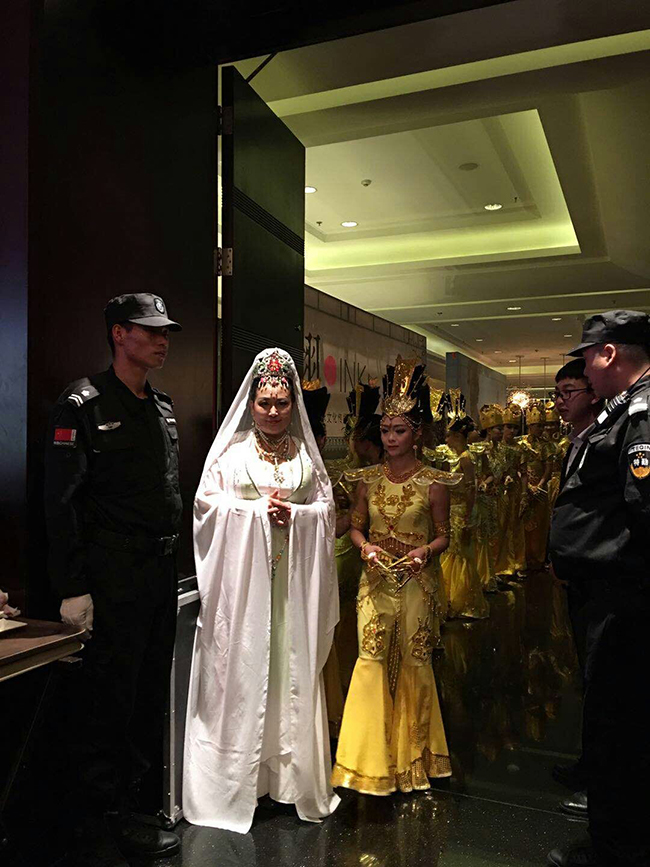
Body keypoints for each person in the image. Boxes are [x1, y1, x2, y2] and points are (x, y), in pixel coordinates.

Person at [44, 293, 183, 867]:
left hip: (158, 571)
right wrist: (72, 586)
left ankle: (138, 807)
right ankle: (100, 824)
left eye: (165, 331)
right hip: (113, 574)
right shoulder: (83, 404)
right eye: (150, 330)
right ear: (119, 334)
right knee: (109, 700)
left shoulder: (163, 406)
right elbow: (62, 504)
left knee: (149, 694)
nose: (162, 339)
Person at [183, 348, 340, 833]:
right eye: (264, 403)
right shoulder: (231, 455)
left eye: (282, 403)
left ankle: (289, 781)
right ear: (250, 404)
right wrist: (254, 513)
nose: (273, 411)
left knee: (289, 672)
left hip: (292, 593)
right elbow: (205, 508)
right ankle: (240, 783)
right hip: (244, 594)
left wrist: (299, 516)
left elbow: (328, 512)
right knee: (245, 668)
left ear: (294, 405)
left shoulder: (306, 456)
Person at [548, 311, 650, 867]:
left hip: (625, 594)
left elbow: (643, 508)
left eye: (587, 357)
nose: (585, 369)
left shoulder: (641, 414)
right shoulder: (624, 409)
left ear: (609, 353)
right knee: (612, 710)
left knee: (620, 718)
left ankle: (617, 846)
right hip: (609, 591)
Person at [331, 357, 459, 795]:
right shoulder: (366, 479)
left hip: (417, 583)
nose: (390, 438)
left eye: (399, 431)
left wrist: (425, 551)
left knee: (415, 662)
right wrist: (364, 547)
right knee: (369, 660)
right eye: (385, 430)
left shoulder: (434, 482)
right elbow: (355, 526)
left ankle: (413, 759)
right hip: (374, 581)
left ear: (416, 434)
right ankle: (363, 762)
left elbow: (444, 535)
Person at [548, 359, 604, 819]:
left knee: (606, 681)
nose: (561, 402)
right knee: (590, 674)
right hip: (580, 577)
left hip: (603, 578)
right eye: (558, 393)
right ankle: (591, 765)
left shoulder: (607, 440)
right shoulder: (578, 442)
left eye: (569, 392)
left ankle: (605, 785)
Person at [440, 416, 490, 620]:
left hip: (462, 511)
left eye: (449, 437)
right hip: (454, 510)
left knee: (460, 554)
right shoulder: (458, 457)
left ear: (457, 437)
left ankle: (463, 600)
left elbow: (471, 489)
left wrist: (468, 515)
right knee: (453, 552)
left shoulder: (465, 458)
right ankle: (451, 597)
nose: (446, 441)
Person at [518, 403, 552, 570]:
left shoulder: (545, 445)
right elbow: (518, 467)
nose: (541, 429)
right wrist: (527, 487)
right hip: (523, 488)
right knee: (523, 525)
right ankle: (523, 559)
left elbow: (548, 468)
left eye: (542, 426)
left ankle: (538, 558)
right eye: (538, 425)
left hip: (540, 489)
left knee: (540, 523)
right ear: (530, 425)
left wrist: (539, 485)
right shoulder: (521, 443)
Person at [474, 405, 503, 593]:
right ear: (488, 430)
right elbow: (479, 473)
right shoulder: (480, 450)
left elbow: (494, 473)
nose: (500, 432)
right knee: (482, 536)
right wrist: (483, 483)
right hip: (482, 498)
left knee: (494, 534)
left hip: (498, 496)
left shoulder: (501, 450)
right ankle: (482, 575)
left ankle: (493, 571)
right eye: (497, 428)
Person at [497, 405, 527, 577]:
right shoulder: (495, 448)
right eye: (509, 427)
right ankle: (499, 565)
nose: (512, 431)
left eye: (515, 427)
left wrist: (524, 494)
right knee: (499, 526)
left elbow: (523, 473)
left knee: (515, 525)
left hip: (514, 489)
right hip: (498, 489)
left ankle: (517, 562)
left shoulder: (520, 448)